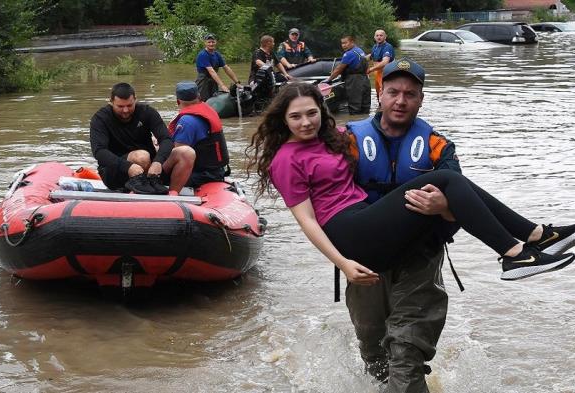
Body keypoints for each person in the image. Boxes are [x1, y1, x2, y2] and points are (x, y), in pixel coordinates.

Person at [245, 81, 575, 388]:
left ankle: (532, 239)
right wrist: (343, 263)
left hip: (371, 223)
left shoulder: (334, 137)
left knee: (448, 180)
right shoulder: (285, 159)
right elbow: (307, 222)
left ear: (322, 110)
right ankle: (522, 247)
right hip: (349, 232)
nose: (306, 122)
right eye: (296, 116)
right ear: (282, 120)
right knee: (447, 179)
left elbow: (374, 126)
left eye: (312, 113)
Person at [343, 57, 460, 390]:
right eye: (393, 91)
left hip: (419, 259)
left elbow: (464, 207)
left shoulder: (439, 147)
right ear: (380, 94)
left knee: (406, 352)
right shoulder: (348, 142)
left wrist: (445, 204)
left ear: (421, 99)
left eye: (410, 94)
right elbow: (324, 203)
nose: (401, 100)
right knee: (373, 348)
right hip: (365, 262)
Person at [90, 82, 189, 196]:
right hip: (115, 171)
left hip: (151, 171)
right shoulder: (100, 118)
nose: (125, 110)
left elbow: (166, 139)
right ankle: (136, 192)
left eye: (129, 105)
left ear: (135, 100)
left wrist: (158, 162)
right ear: (111, 102)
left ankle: (173, 194)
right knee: (142, 156)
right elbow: (99, 151)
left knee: (187, 152)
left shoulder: (147, 112)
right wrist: (128, 167)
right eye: (120, 106)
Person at [167, 81, 230, 188]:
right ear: (199, 96)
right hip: (217, 171)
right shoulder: (209, 111)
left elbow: (178, 155)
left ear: (178, 101)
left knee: (153, 175)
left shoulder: (186, 121)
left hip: (201, 175)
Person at [323, 35, 371, 115]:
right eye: (342, 43)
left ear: (352, 42)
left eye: (345, 43)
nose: (343, 45)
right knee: (365, 105)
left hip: (354, 82)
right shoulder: (360, 50)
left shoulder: (348, 54)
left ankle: (354, 122)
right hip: (365, 79)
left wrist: (329, 80)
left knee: (354, 106)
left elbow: (338, 69)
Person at [195, 33, 242, 101]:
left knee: (213, 99)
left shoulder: (217, 54)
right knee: (202, 101)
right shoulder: (203, 55)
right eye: (209, 42)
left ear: (216, 42)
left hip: (213, 81)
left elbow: (226, 68)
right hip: (203, 82)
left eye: (213, 42)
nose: (211, 44)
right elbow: (212, 71)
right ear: (205, 43)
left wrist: (237, 83)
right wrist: (222, 85)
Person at [366, 29, 395, 101]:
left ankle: (385, 109)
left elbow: (385, 62)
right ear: (374, 37)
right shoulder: (375, 46)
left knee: (385, 93)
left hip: (386, 73)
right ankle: (380, 108)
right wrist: (359, 58)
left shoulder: (387, 47)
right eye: (377, 35)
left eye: (381, 35)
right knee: (378, 94)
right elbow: (370, 57)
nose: (379, 37)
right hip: (377, 73)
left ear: (385, 37)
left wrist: (371, 69)